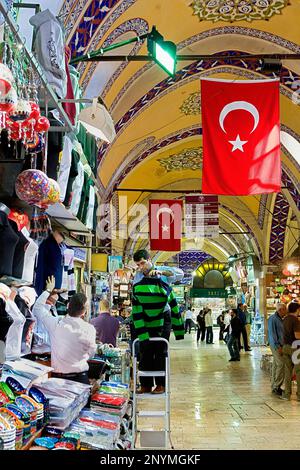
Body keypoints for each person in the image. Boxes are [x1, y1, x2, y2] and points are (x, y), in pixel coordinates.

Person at [132, 264, 184, 394]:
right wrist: (179, 330)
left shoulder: (138, 287)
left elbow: (136, 312)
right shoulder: (165, 289)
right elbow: (175, 308)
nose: (140, 266)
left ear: (149, 260)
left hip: (149, 321)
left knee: (156, 352)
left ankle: (157, 384)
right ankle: (148, 385)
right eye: (138, 264)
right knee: (150, 353)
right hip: (161, 320)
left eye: (142, 263)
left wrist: (142, 333)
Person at [33, 277, 97, 385]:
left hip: (57, 380)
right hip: (79, 379)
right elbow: (91, 353)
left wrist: (48, 290)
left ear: (68, 306)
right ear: (84, 312)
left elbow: (37, 308)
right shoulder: (89, 329)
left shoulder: (56, 324)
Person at [31, 281, 60, 362]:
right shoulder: (39, 310)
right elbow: (38, 305)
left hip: (50, 354)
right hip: (38, 353)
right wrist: (48, 291)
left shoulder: (53, 310)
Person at [281, 302, 300, 401]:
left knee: (287, 371)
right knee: (298, 371)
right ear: (297, 309)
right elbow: (297, 336)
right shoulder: (295, 320)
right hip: (295, 347)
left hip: (286, 346)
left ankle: (287, 394)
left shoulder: (285, 319)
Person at [268, 303, 287, 396]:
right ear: (280, 310)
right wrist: (278, 346)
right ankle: (277, 386)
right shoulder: (273, 319)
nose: (286, 311)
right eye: (285, 309)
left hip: (280, 345)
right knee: (281, 364)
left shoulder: (280, 319)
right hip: (276, 346)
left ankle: (274, 386)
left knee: (276, 365)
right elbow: (273, 334)